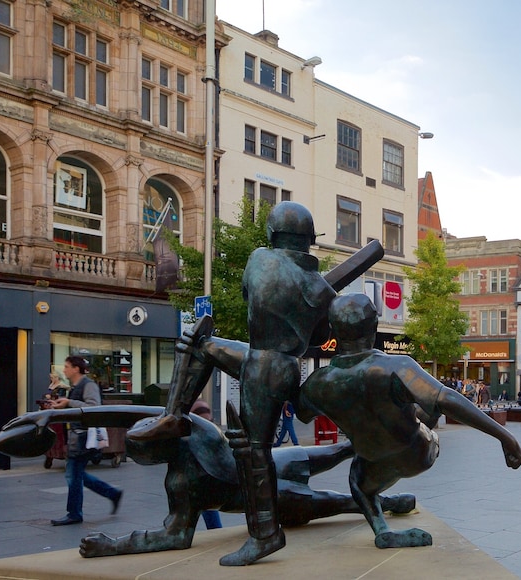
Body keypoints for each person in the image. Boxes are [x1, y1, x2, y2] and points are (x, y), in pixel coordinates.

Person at [127, 202, 381, 566]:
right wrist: (314, 301)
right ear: (310, 240)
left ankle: (265, 534)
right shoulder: (319, 289)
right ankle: (174, 416)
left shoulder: (258, 258)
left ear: (272, 234)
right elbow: (321, 335)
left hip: (263, 363)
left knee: (251, 446)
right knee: (207, 352)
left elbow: (251, 299)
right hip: (276, 362)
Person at [0, 403, 416, 557]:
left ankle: (381, 457)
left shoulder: (188, 439)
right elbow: (174, 537)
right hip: (269, 489)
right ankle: (391, 503)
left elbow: (128, 411)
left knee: (337, 452)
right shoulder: (191, 445)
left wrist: (57, 415)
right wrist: (113, 546)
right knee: (337, 500)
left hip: (267, 461)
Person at [296, 294, 521, 549]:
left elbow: (302, 412)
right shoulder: (396, 365)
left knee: (358, 483)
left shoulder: (318, 382)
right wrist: (505, 437)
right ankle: (386, 528)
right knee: (425, 408)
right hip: (417, 452)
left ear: (333, 331)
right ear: (374, 328)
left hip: (372, 462)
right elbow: (447, 398)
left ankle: (381, 526)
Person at [48, 355, 123, 526]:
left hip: (84, 437)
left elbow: (93, 407)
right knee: (76, 474)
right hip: (77, 436)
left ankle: (74, 513)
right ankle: (112, 493)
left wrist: (68, 402)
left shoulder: (88, 385)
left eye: (67, 366)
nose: (64, 369)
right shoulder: (74, 387)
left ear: (76, 368)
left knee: (73, 474)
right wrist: (61, 405)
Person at [190, 399, 223, 529]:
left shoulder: (200, 437)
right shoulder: (211, 433)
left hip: (204, 484)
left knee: (210, 515)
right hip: (204, 482)